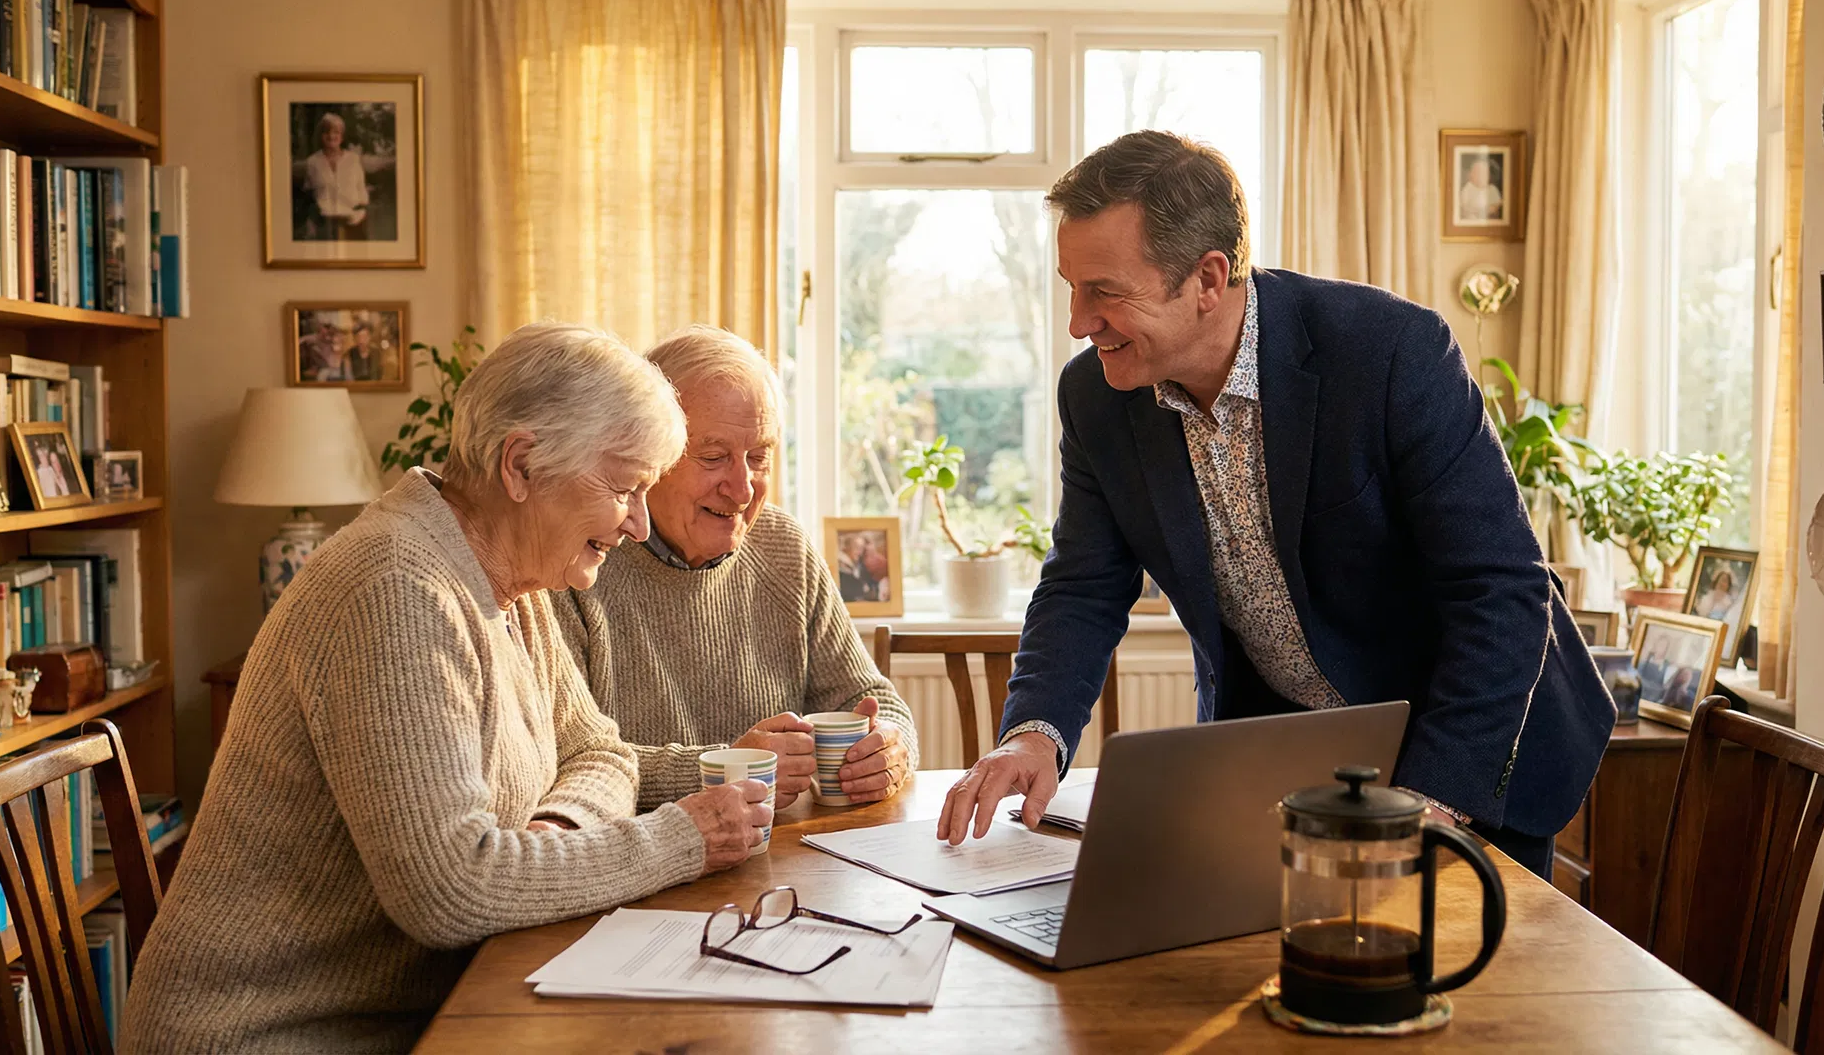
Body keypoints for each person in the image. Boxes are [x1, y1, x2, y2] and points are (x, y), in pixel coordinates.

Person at [935, 131, 1615, 878]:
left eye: (1105, 291)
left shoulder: (1391, 352)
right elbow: (1083, 586)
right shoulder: (1095, 396)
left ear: (1208, 278)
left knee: (1472, 984)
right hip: (1287, 768)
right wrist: (1033, 734)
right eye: (1071, 286)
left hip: (1470, 749)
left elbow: (1500, 591)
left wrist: (1430, 801)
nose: (1078, 320)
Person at [123, 323, 770, 1052]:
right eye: (623, 488)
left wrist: (556, 834)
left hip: (414, 1018)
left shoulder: (512, 582)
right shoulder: (395, 588)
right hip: (271, 1036)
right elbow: (452, 890)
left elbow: (601, 754)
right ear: (520, 465)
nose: (636, 524)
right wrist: (681, 838)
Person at [553, 325, 917, 810]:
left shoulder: (783, 545)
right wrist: (728, 767)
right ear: (647, 453)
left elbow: (868, 697)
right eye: (713, 456)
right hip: (648, 870)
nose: (743, 489)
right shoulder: (579, 560)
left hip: (786, 863)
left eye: (759, 456)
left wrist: (892, 744)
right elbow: (566, 760)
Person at [304, 111, 370, 241]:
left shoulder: (353, 159)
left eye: (336, 132)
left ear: (342, 136)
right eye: (326, 132)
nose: (331, 136)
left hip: (354, 221)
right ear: (321, 136)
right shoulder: (312, 162)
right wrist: (311, 223)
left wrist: (360, 214)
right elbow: (309, 196)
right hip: (325, 224)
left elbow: (362, 193)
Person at [1459, 155, 1504, 222]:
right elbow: (1463, 207)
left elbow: (1496, 207)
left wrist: (1494, 208)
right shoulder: (1468, 188)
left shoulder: (1492, 189)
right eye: (1476, 172)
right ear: (1471, 175)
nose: (1481, 176)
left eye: (1484, 173)